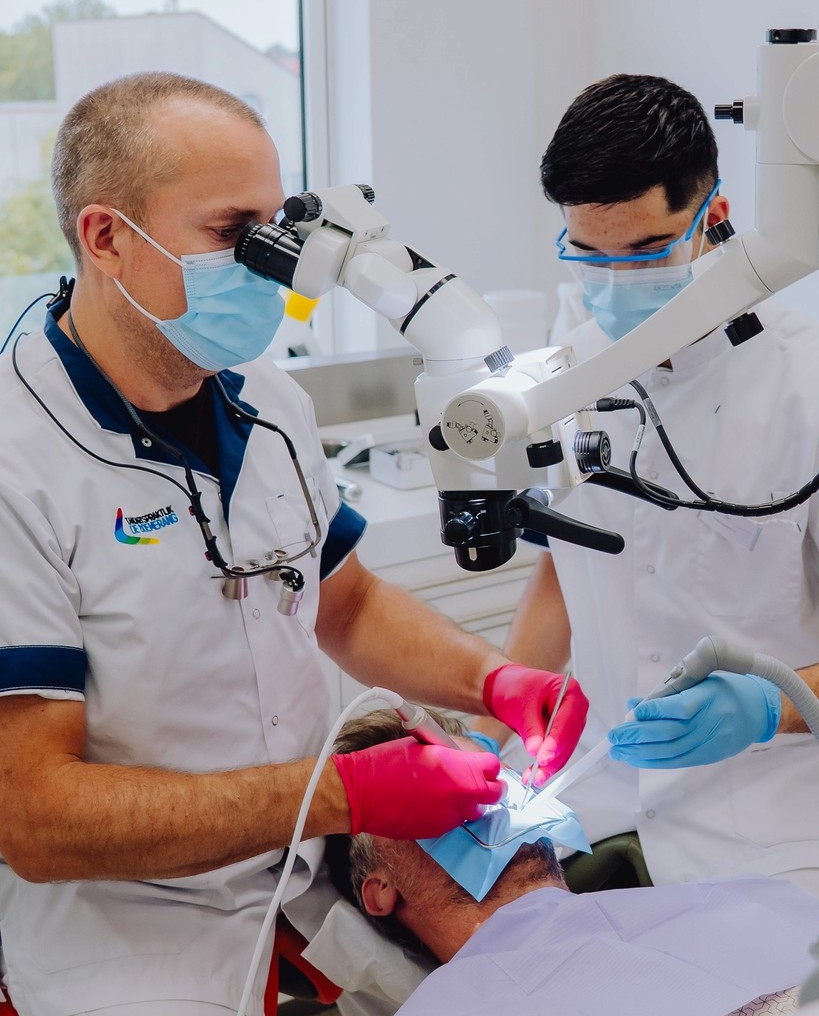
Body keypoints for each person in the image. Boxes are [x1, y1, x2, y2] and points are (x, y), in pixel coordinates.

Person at [0, 72, 590, 1016]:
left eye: (278, 233)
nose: (268, 265)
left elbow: (345, 604)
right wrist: (349, 799)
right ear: (106, 237)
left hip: (301, 883)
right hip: (127, 925)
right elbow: (34, 817)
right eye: (233, 236)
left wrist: (496, 682)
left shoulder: (267, 400)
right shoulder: (16, 465)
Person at [478, 73, 819, 895]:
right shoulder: (572, 359)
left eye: (645, 253)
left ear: (716, 220)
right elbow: (571, 557)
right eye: (590, 255)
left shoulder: (804, 382)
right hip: (597, 798)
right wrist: (501, 720)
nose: (615, 285)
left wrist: (768, 704)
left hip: (771, 816)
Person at [323, 709, 819, 1016]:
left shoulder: (745, 900)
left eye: (490, 776)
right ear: (380, 890)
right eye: (431, 791)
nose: (486, 799)